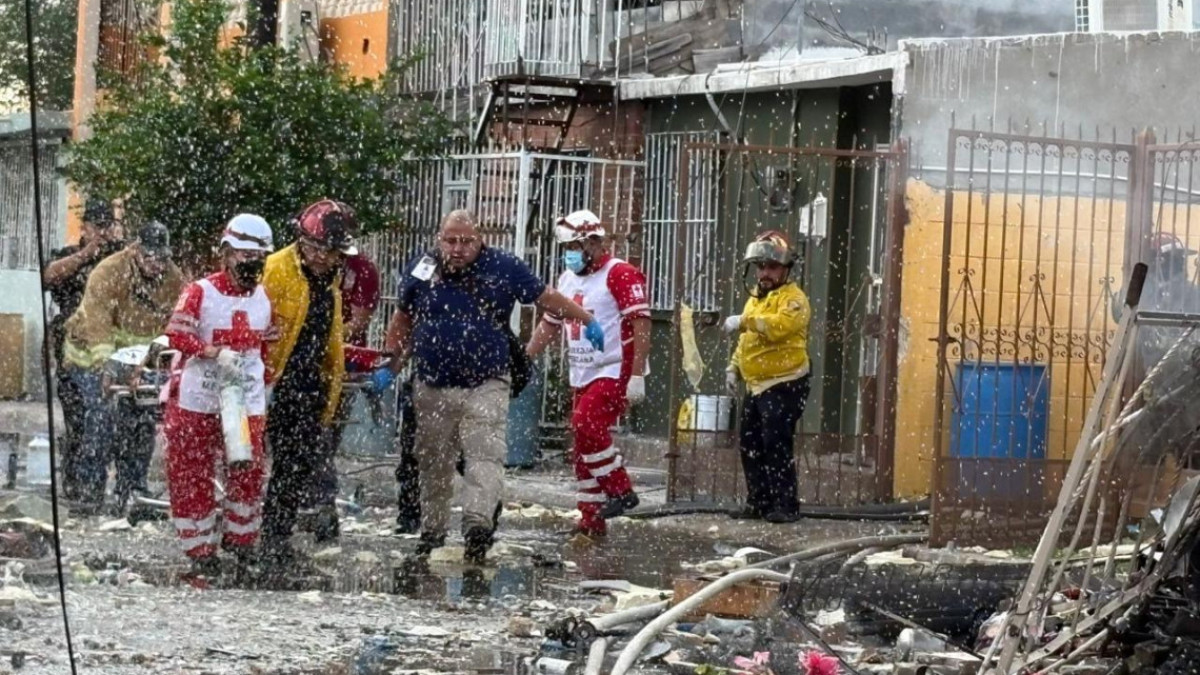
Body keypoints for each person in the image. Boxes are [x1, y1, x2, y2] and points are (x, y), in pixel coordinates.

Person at [369, 209, 600, 564]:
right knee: (433, 461)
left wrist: (585, 319)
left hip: (486, 380)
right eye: (450, 240)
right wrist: (390, 363)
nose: (457, 249)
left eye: (466, 241)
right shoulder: (422, 269)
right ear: (438, 239)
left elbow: (544, 296)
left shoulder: (503, 267)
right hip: (432, 383)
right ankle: (432, 531)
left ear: (481, 241)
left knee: (484, 456)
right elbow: (403, 317)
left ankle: (477, 528)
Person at [163, 214, 275, 579]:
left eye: (258, 257)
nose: (251, 264)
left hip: (245, 399)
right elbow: (177, 335)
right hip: (199, 396)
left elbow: (269, 345)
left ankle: (241, 543)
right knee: (191, 471)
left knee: (248, 470)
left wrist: (262, 378)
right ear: (227, 253)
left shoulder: (263, 297)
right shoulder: (200, 291)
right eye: (244, 256)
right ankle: (199, 549)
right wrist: (211, 351)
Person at [525, 209, 649, 537]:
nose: (568, 255)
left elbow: (641, 322)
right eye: (565, 248)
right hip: (582, 371)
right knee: (581, 444)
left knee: (587, 424)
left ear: (593, 243)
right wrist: (524, 358)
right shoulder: (568, 280)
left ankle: (621, 490)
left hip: (614, 367)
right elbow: (549, 325)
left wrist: (636, 375)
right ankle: (591, 520)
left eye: (574, 247)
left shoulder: (619, 274)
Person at [61, 221, 184, 511]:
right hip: (89, 357)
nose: (157, 264)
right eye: (150, 257)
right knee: (102, 418)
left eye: (162, 258)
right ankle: (89, 492)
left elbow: (172, 327)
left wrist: (154, 366)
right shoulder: (109, 271)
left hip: (138, 362)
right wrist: (106, 365)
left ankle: (133, 491)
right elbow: (97, 322)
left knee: (141, 424)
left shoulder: (174, 281)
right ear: (136, 250)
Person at [260, 199, 353, 573]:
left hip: (308, 382)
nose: (322, 257)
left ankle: (276, 536)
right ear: (302, 241)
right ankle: (250, 537)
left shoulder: (328, 280)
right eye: (317, 249)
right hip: (272, 383)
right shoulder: (275, 271)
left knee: (296, 466)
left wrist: (331, 386)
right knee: (259, 465)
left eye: (330, 251)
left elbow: (330, 337)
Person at [722, 231, 812, 523]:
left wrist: (745, 321)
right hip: (758, 384)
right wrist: (734, 367)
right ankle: (759, 501)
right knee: (750, 442)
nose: (765, 273)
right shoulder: (757, 300)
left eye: (771, 267)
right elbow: (746, 342)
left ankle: (785, 505)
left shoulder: (794, 300)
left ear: (785, 269)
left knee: (776, 442)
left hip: (784, 381)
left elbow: (778, 327)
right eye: (761, 267)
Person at [43, 198, 126, 501]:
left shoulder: (119, 258)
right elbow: (48, 276)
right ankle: (75, 481)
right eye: (99, 226)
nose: (103, 232)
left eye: (109, 225)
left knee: (108, 421)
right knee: (77, 419)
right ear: (86, 226)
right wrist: (86, 254)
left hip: (109, 350)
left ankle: (104, 485)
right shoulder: (71, 255)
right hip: (72, 351)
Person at [302, 239, 382, 543]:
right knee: (305, 435)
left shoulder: (363, 270)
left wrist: (325, 334)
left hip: (342, 358)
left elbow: (359, 320)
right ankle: (311, 497)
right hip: (301, 357)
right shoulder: (300, 265)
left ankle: (318, 498)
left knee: (326, 432)